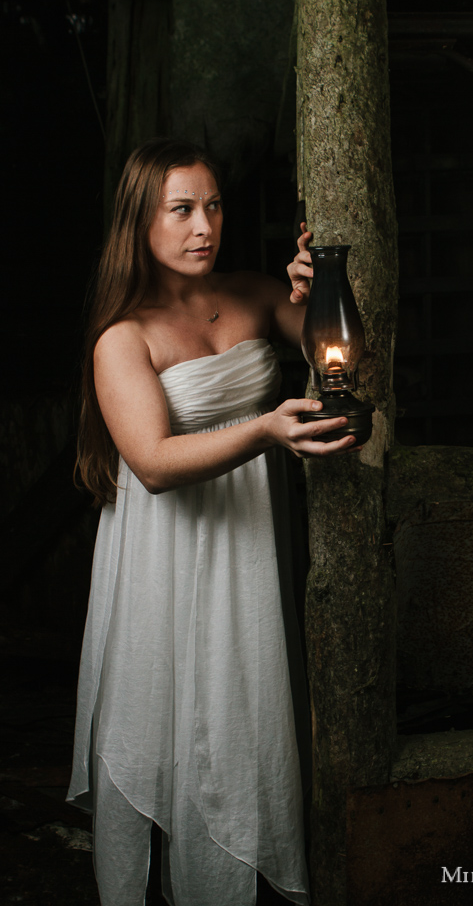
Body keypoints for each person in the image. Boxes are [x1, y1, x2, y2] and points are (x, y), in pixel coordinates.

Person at [67, 138, 353, 906]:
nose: (205, 226)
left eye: (214, 205)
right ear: (141, 221)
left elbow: (341, 361)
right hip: (164, 549)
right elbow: (154, 464)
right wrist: (264, 432)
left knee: (243, 703)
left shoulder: (257, 293)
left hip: (249, 539)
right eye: (183, 209)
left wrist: (316, 286)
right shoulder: (122, 336)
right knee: (169, 709)